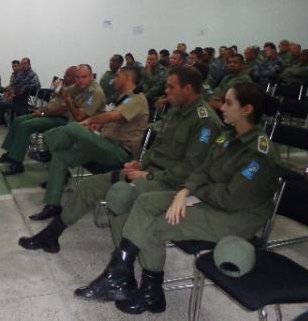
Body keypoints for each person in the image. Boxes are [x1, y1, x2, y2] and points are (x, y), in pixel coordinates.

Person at [76, 83, 278, 315]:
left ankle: (149, 291)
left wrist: (193, 193)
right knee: (142, 203)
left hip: (235, 216)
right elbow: (202, 169)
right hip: (209, 198)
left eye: (229, 103)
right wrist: (184, 191)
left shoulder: (258, 152)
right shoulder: (228, 137)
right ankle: (122, 274)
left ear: (247, 110)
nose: (221, 107)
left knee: (152, 226)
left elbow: (231, 198)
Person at [18, 66, 222, 251]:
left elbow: (192, 168)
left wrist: (147, 174)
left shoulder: (204, 121)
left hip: (166, 182)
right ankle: (51, 234)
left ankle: (122, 263)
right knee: (88, 186)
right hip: (144, 170)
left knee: (118, 194)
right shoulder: (175, 111)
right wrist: (141, 164)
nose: (166, 91)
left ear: (187, 89)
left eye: (171, 87)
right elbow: (157, 148)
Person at [27, 67, 149, 221]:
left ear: (127, 78)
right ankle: (52, 205)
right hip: (103, 144)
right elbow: (116, 122)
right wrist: (98, 126)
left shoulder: (136, 99)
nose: (114, 79)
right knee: (60, 156)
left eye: (118, 76)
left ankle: (47, 145)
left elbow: (114, 115)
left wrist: (91, 120)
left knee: (73, 127)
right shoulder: (121, 97)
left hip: (119, 152)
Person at [0, 65, 106, 176]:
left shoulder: (94, 92)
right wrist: (57, 88)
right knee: (18, 120)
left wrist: (43, 113)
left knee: (25, 126)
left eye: (82, 77)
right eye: (77, 77)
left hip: (62, 119)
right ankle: (10, 154)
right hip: (51, 114)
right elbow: (61, 93)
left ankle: (17, 162)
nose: (65, 77)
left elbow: (66, 112)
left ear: (91, 77)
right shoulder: (76, 87)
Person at [0, 58, 40, 125]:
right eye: (22, 64)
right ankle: (3, 118)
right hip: (17, 97)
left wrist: (24, 88)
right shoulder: (20, 74)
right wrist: (11, 92)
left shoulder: (33, 75)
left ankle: (13, 120)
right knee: (0, 100)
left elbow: (36, 86)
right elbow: (14, 84)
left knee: (16, 104)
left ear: (29, 65)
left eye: (25, 64)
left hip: (28, 99)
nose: (23, 65)